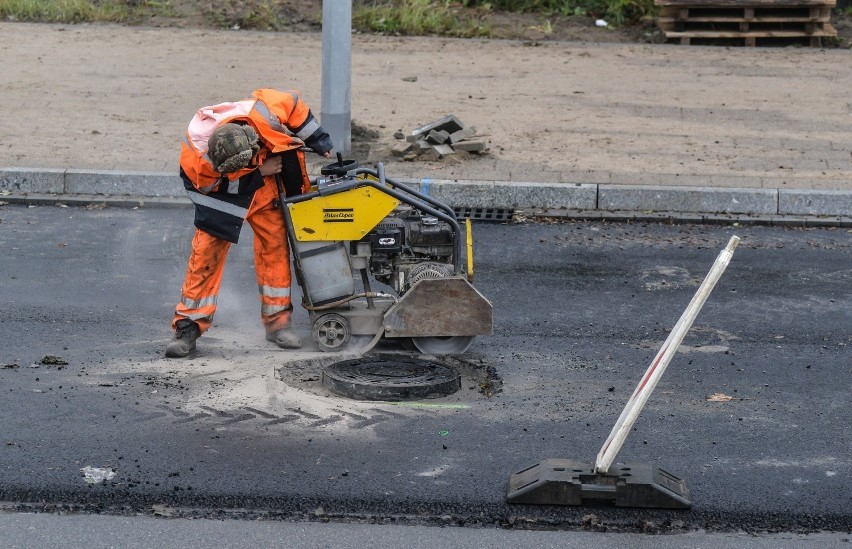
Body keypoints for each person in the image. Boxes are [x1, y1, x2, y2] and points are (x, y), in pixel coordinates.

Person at [165, 88, 334, 358]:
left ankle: (278, 323)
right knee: (205, 257)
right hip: (226, 195)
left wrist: (319, 139)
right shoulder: (197, 159)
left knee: (275, 249)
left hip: (265, 188)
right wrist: (258, 173)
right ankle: (188, 327)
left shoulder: (264, 111)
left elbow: (293, 105)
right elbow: (210, 189)